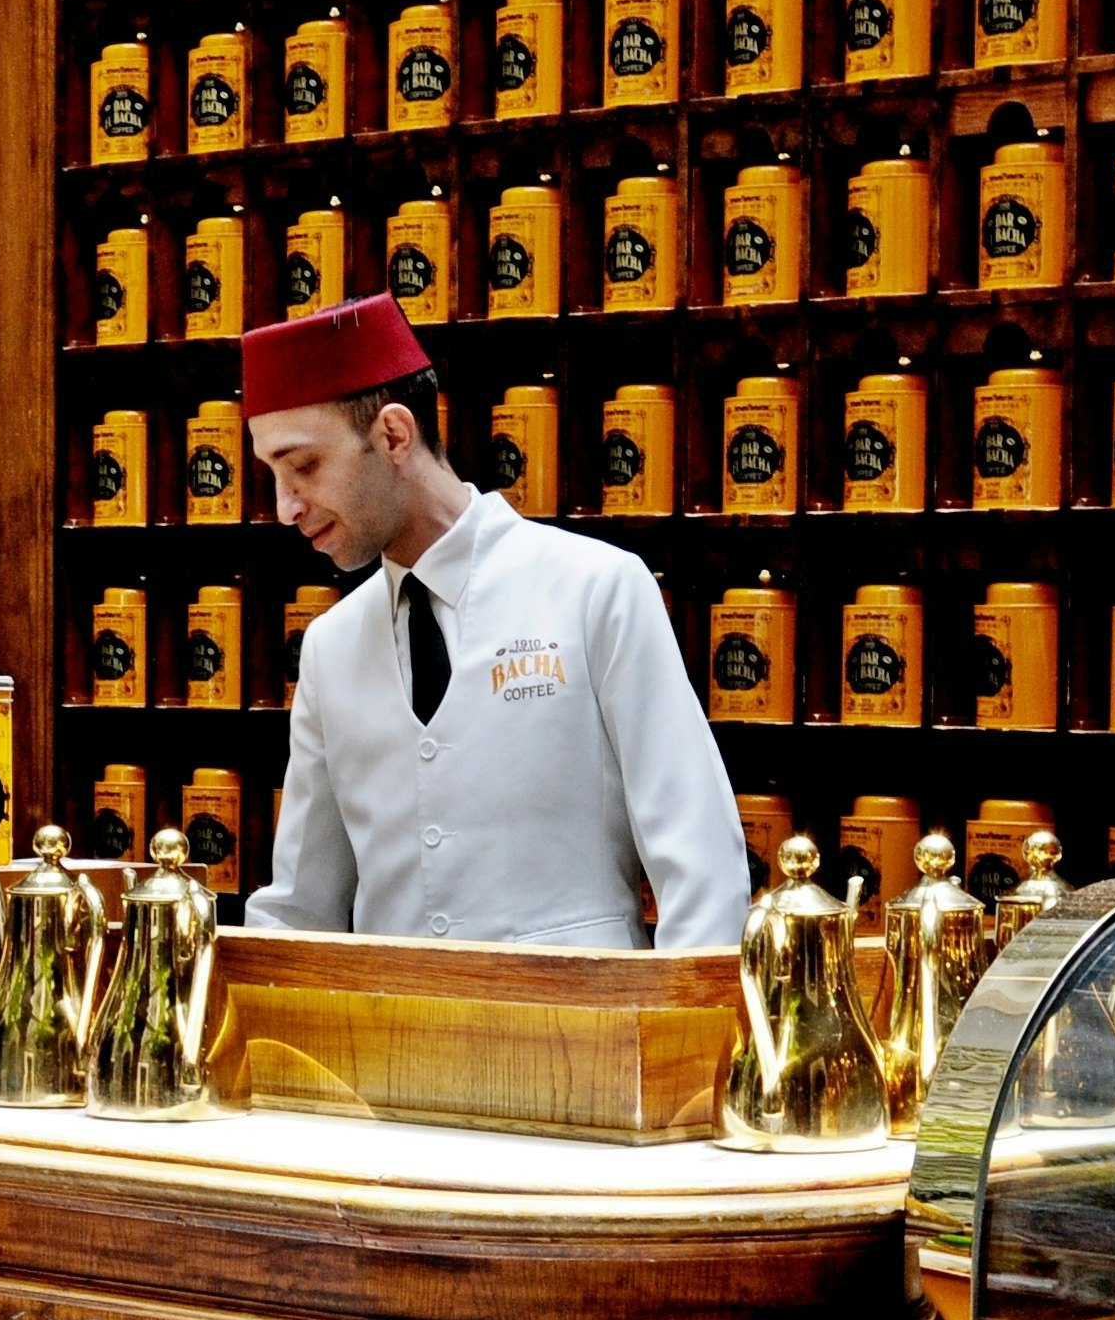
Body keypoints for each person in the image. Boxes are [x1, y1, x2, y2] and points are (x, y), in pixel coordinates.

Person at [238, 294, 750, 947]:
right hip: (393, 1041)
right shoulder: (329, 648)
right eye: (273, 475)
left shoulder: (594, 589)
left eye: (304, 466)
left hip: (581, 1036)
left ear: (394, 435)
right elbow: (301, 907)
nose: (285, 506)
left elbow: (700, 863)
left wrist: (687, 1039)